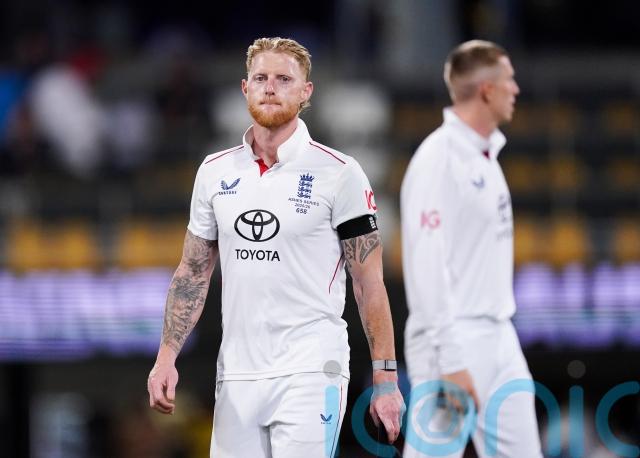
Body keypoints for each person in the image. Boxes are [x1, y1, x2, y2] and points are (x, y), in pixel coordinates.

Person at [147, 37, 405, 458]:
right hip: (237, 374)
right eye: (261, 78)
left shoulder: (340, 173)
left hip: (311, 368)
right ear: (244, 87)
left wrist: (386, 378)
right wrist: (166, 356)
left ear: (306, 92)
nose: (270, 87)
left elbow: (369, 283)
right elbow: (192, 272)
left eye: (284, 79)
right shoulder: (213, 172)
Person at [400, 40, 543, 457]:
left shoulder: (485, 158)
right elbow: (426, 265)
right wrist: (450, 358)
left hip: (499, 332)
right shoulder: (438, 160)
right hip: (452, 338)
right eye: (509, 79)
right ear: (486, 89)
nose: (515, 88)